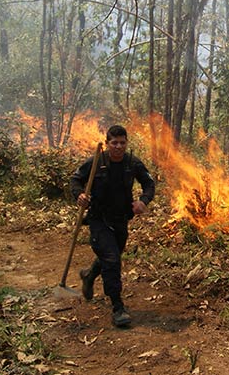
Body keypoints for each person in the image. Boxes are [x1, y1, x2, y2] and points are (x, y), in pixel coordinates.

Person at [70, 124, 155, 327]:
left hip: (121, 220)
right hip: (98, 219)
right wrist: (79, 195)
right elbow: (75, 180)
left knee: (112, 255)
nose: (118, 146)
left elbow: (149, 184)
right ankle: (117, 307)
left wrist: (143, 201)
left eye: (122, 143)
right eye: (114, 143)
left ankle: (89, 275)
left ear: (126, 143)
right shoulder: (96, 162)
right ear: (107, 143)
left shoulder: (132, 163)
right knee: (112, 260)